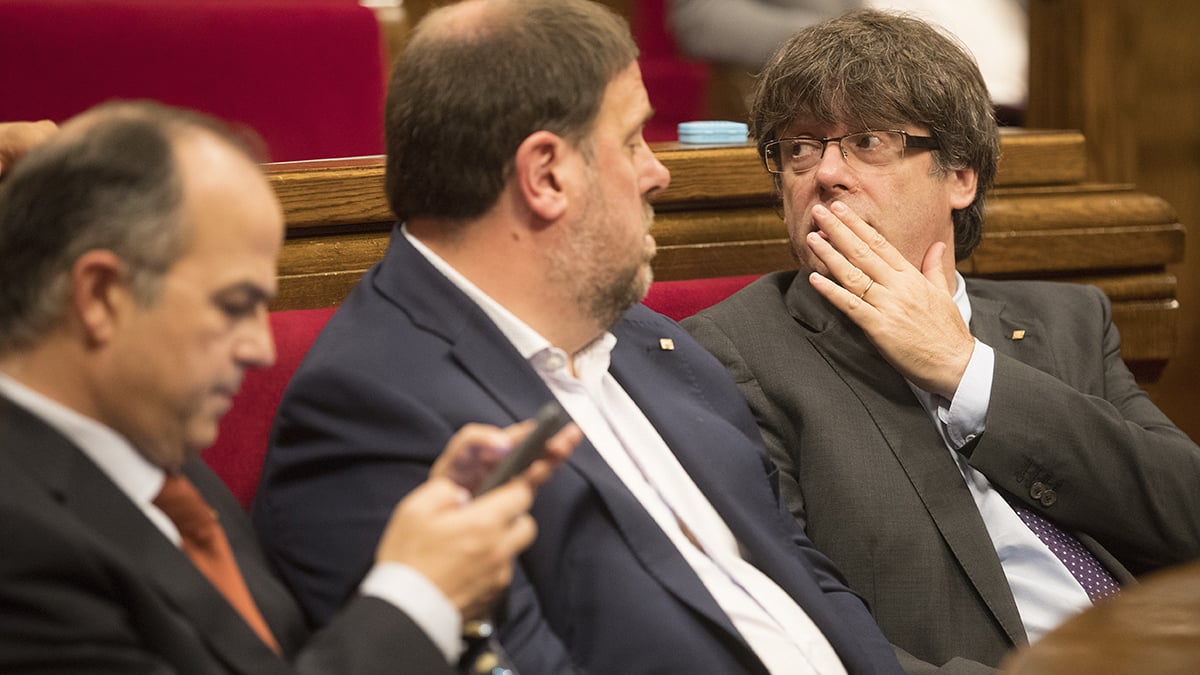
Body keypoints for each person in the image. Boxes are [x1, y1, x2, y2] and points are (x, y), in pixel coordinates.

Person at [252, 1, 903, 673]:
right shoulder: (368, 414)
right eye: (631, 141)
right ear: (546, 176)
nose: (658, 172)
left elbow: (803, 576)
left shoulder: (656, 344)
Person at [682, 9, 1200, 674]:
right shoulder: (737, 354)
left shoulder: (1067, 319)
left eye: (867, 141)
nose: (826, 173)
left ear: (961, 175)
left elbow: (1185, 513)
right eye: (800, 147)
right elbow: (794, 628)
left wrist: (967, 373)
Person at [0, 100, 577, 674]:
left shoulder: (171, 473)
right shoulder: (19, 540)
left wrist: (432, 549)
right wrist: (418, 594)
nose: (262, 349)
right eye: (234, 306)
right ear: (101, 296)